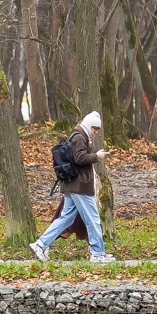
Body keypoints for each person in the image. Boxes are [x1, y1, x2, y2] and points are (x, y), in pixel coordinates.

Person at [29, 111, 116, 264]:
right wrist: (97, 156)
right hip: (79, 186)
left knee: (66, 218)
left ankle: (40, 244)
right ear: (89, 125)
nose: (96, 132)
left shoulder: (78, 135)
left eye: (97, 129)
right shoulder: (80, 137)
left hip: (72, 185)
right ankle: (97, 253)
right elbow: (80, 158)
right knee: (92, 218)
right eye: (95, 128)